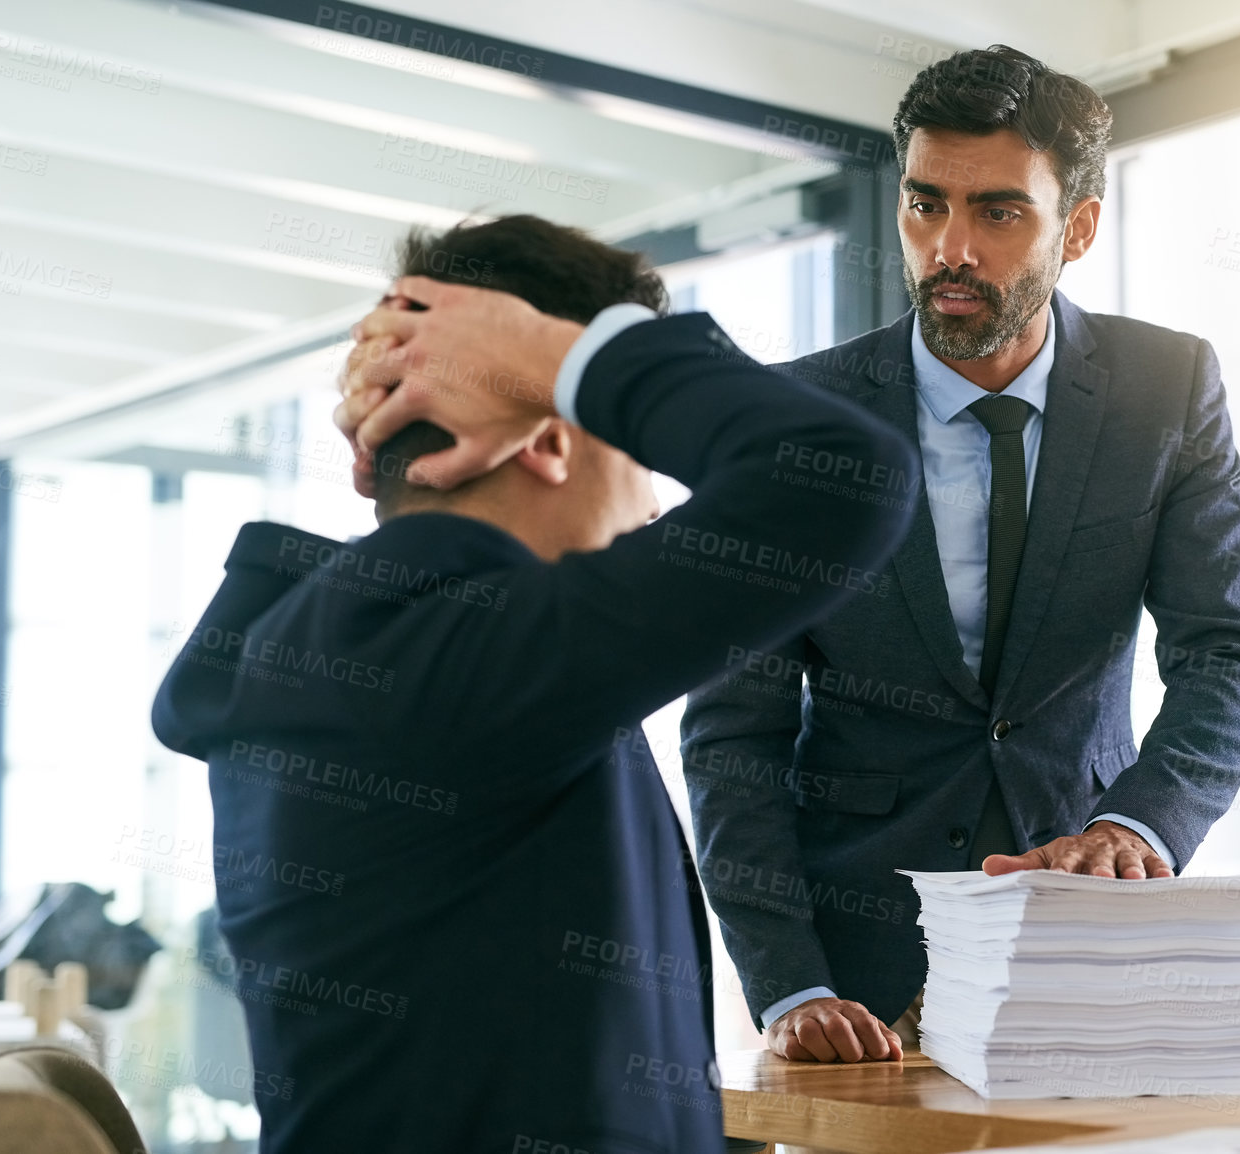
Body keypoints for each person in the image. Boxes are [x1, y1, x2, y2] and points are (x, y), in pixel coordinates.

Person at [151, 214, 916, 1151]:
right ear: (554, 441)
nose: (653, 506)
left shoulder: (390, 649)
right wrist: (560, 356)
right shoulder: (434, 655)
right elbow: (839, 479)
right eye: (638, 456)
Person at [676, 44, 1240, 1063]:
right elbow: (734, 732)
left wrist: (1141, 825)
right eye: (924, 206)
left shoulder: (1163, 390)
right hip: (854, 977)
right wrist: (789, 984)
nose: (948, 248)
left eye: (997, 212)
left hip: (1080, 940)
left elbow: (1226, 651)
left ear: (1076, 228)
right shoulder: (794, 419)